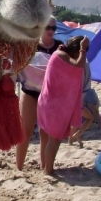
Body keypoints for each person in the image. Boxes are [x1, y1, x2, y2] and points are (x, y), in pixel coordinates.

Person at [37, 36, 89, 175]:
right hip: (53, 105)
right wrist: (83, 49)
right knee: (54, 139)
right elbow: (78, 67)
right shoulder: (61, 55)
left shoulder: (58, 53)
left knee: (47, 137)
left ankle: (44, 166)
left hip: (48, 102)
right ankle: (48, 170)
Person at [15, 16, 63, 170]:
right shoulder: (31, 45)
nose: (51, 31)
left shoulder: (60, 47)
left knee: (45, 132)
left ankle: (44, 167)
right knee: (25, 131)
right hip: (29, 92)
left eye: (54, 28)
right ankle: (19, 167)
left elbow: (68, 70)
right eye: (48, 27)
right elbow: (17, 64)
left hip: (50, 94)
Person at [68, 61, 101, 148]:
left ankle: (71, 140)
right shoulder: (83, 65)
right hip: (78, 98)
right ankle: (78, 135)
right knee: (89, 118)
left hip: (72, 99)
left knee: (75, 121)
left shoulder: (71, 64)